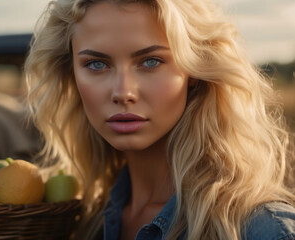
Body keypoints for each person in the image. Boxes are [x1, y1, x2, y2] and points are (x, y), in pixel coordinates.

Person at [25, 0, 295, 239]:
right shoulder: (81, 220)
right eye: (97, 64)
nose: (123, 93)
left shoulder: (261, 229)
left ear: (194, 71)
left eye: (151, 61)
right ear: (70, 74)